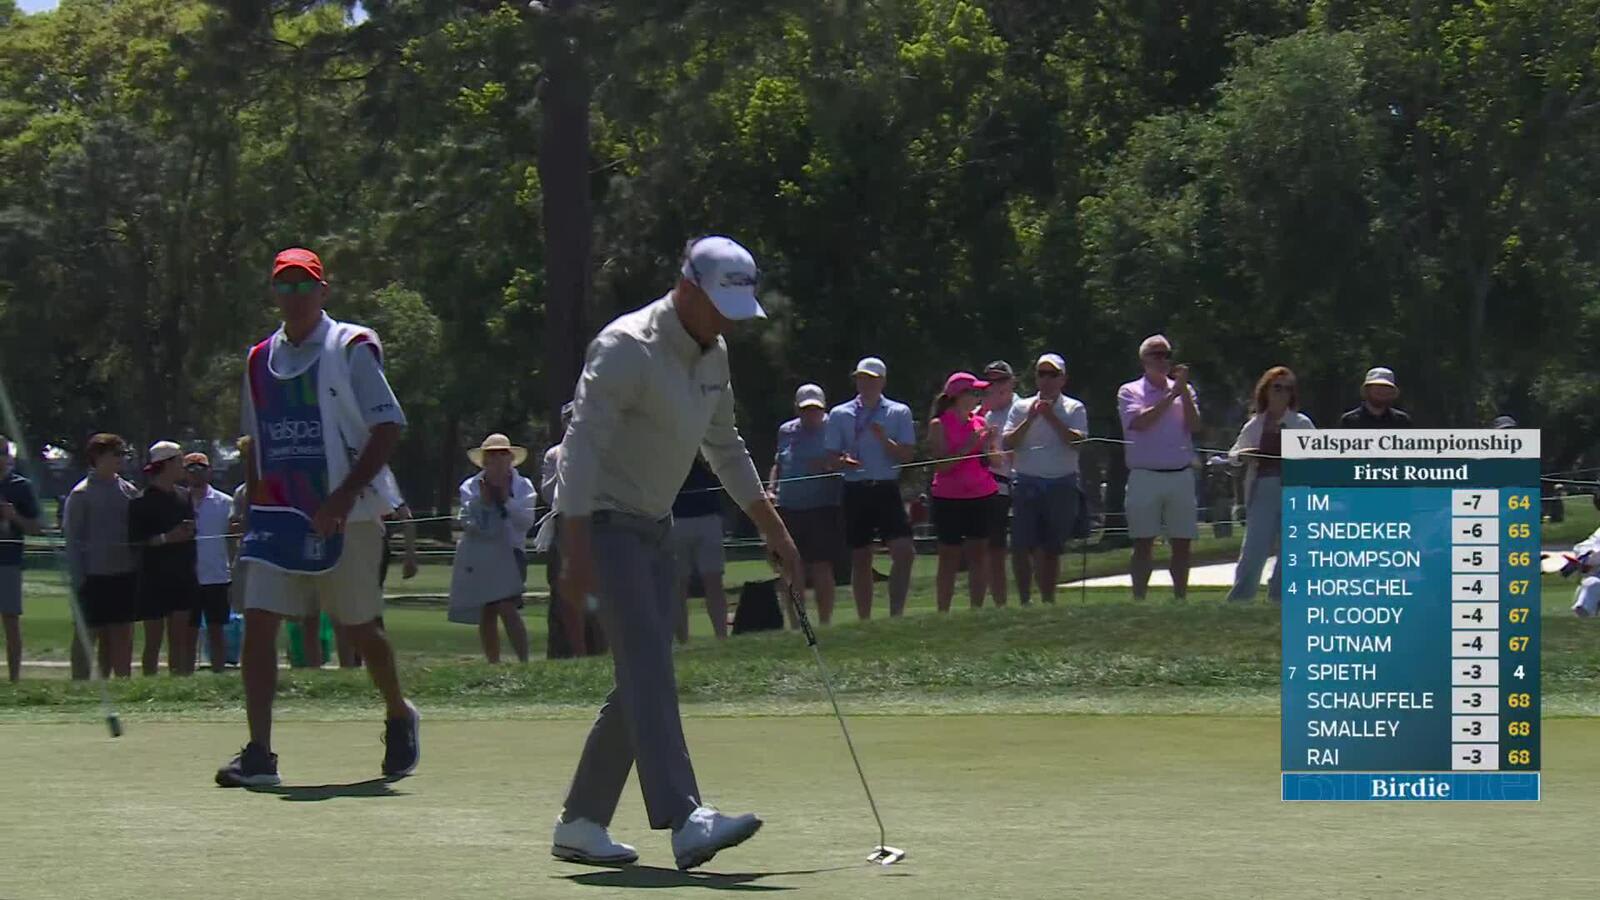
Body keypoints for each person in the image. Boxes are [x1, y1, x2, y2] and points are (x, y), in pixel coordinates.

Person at [551, 235, 803, 870]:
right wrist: (574, 550)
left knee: (640, 674)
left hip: (653, 528)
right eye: (718, 307)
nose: (726, 324)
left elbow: (726, 446)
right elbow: (579, 450)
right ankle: (686, 818)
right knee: (650, 669)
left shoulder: (713, 354)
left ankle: (582, 821)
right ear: (686, 288)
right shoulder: (625, 346)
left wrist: (773, 527)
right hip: (603, 523)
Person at [217, 247, 419, 788]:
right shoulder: (259, 359)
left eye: (305, 285)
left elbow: (387, 427)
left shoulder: (350, 346)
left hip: (347, 514)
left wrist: (340, 499)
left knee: (358, 628)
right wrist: (253, 506)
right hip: (278, 515)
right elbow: (253, 441)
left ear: (323, 291)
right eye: (285, 285)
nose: (295, 295)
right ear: (274, 292)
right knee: (259, 623)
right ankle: (259, 752)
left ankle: (399, 711)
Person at [825, 357, 917, 619]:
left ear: (883, 382)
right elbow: (831, 458)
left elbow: (907, 455)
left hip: (886, 488)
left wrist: (884, 440)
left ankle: (895, 614)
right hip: (855, 489)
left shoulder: (899, 412)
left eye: (872, 379)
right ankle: (864, 618)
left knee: (904, 552)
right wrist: (844, 462)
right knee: (861, 556)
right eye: (861, 378)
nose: (866, 383)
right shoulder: (840, 414)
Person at [1117, 334, 1201, 601]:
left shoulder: (1184, 390)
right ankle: (1139, 599)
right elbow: (1141, 422)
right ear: (1144, 359)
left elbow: (1195, 425)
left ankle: (1180, 598)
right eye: (1156, 354)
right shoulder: (1130, 391)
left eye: (1166, 354)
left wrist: (1182, 392)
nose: (1162, 360)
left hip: (1180, 473)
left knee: (1182, 542)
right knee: (1143, 542)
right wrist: (1170, 395)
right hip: (1145, 475)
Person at [1003, 353, 1089, 605]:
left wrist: (1051, 417)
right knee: (1021, 547)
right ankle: (1024, 601)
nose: (1047, 380)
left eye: (1053, 374)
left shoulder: (1074, 408)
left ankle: (1048, 601)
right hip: (1026, 481)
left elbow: (1077, 443)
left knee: (1051, 548)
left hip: (1061, 482)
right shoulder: (1020, 407)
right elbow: (1008, 442)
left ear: (1063, 379)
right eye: (1042, 374)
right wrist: (1030, 419)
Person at [1226, 367, 1315, 603]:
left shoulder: (1301, 423)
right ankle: (1240, 599)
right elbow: (1233, 455)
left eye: (1288, 389)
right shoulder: (1254, 425)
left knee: (1291, 550)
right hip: (1263, 488)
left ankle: (1280, 598)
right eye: (1277, 387)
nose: (1282, 393)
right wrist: (1244, 455)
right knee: (1254, 549)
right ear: (1266, 390)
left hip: (1294, 490)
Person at [454, 433, 538, 663]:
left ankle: (524, 660)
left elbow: (525, 522)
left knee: (507, 606)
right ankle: (493, 662)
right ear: (484, 460)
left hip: (512, 551)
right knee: (487, 610)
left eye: (503, 454)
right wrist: (484, 502)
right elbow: (469, 522)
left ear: (510, 458)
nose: (498, 460)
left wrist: (505, 501)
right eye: (492, 455)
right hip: (482, 553)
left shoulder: (523, 486)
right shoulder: (470, 487)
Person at [64, 433, 140, 678]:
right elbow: (72, 541)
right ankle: (80, 687)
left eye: (123, 454)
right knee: (87, 634)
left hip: (123, 575)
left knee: (120, 635)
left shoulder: (129, 491)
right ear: (97, 457)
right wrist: (78, 579)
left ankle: (119, 686)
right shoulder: (81, 494)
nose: (120, 459)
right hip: (92, 576)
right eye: (115, 454)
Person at [769, 384, 844, 626]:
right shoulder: (786, 431)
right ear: (797, 409)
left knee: (821, 566)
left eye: (815, 409)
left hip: (822, 506)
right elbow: (778, 464)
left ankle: (824, 623)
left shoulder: (835, 426)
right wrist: (772, 489)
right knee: (791, 567)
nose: (811, 414)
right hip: (788, 506)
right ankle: (797, 624)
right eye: (806, 409)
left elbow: (848, 460)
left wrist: (826, 464)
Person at [539, 402, 608, 660]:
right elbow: (548, 493)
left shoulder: (600, 450)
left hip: (596, 521)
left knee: (599, 591)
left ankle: (600, 649)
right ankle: (574, 650)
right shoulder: (555, 454)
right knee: (566, 592)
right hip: (564, 522)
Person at [927, 372, 999, 612]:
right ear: (958, 396)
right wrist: (969, 445)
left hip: (981, 494)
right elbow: (941, 465)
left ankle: (976, 610)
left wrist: (991, 445)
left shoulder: (980, 422)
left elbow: (995, 461)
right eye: (973, 392)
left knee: (979, 555)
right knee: (949, 556)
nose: (977, 397)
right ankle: (943, 612)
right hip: (949, 498)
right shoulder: (939, 424)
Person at [129, 441, 200, 675]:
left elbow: (191, 530)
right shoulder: (141, 501)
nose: (183, 467)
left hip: (182, 574)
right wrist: (166, 538)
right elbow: (136, 540)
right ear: (166, 464)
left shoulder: (184, 496)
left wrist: (188, 532)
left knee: (179, 639)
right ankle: (149, 687)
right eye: (179, 461)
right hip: (153, 577)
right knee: (153, 641)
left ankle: (177, 684)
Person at [184, 452, 234, 673]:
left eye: (201, 469)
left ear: (209, 471)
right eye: (191, 469)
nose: (196, 474)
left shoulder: (225, 502)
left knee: (216, 629)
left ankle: (218, 672)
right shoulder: (179, 501)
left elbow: (233, 538)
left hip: (217, 575)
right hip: (187, 576)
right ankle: (184, 676)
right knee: (188, 631)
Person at [671, 455, 728, 642]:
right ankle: (683, 641)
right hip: (675, 517)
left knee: (713, 581)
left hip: (708, 515)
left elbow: (718, 468)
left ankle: (722, 638)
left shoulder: (706, 438)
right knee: (678, 584)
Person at [0, 435, 42, 682]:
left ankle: (15, 678)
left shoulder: (20, 486)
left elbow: (36, 527)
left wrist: (13, 516)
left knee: (11, 620)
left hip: (8, 561)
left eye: (3, 453)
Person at [978, 361, 1016, 606]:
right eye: (991, 382)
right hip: (996, 486)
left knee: (1028, 547)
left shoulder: (1023, 407)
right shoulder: (984, 415)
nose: (996, 386)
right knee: (994, 549)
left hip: (1023, 481)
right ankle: (999, 603)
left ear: (1012, 382)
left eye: (1001, 381)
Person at [1339, 367, 1412, 428]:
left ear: (1392, 392)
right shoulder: (1349, 420)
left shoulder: (1402, 420)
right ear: (1367, 390)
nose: (1382, 391)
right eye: (1377, 387)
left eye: (1386, 387)